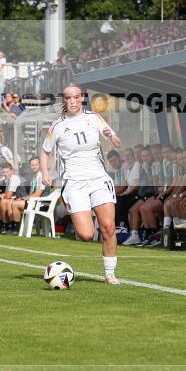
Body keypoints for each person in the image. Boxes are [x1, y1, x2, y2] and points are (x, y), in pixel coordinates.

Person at [40, 83, 123, 285]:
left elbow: (117, 141)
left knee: (108, 227)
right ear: (64, 101)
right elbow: (45, 151)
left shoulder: (94, 118)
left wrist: (112, 137)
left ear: (82, 98)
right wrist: (45, 173)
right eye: (68, 98)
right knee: (86, 234)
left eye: (76, 97)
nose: (72, 101)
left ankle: (110, 274)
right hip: (74, 182)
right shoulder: (57, 126)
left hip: (98, 179)